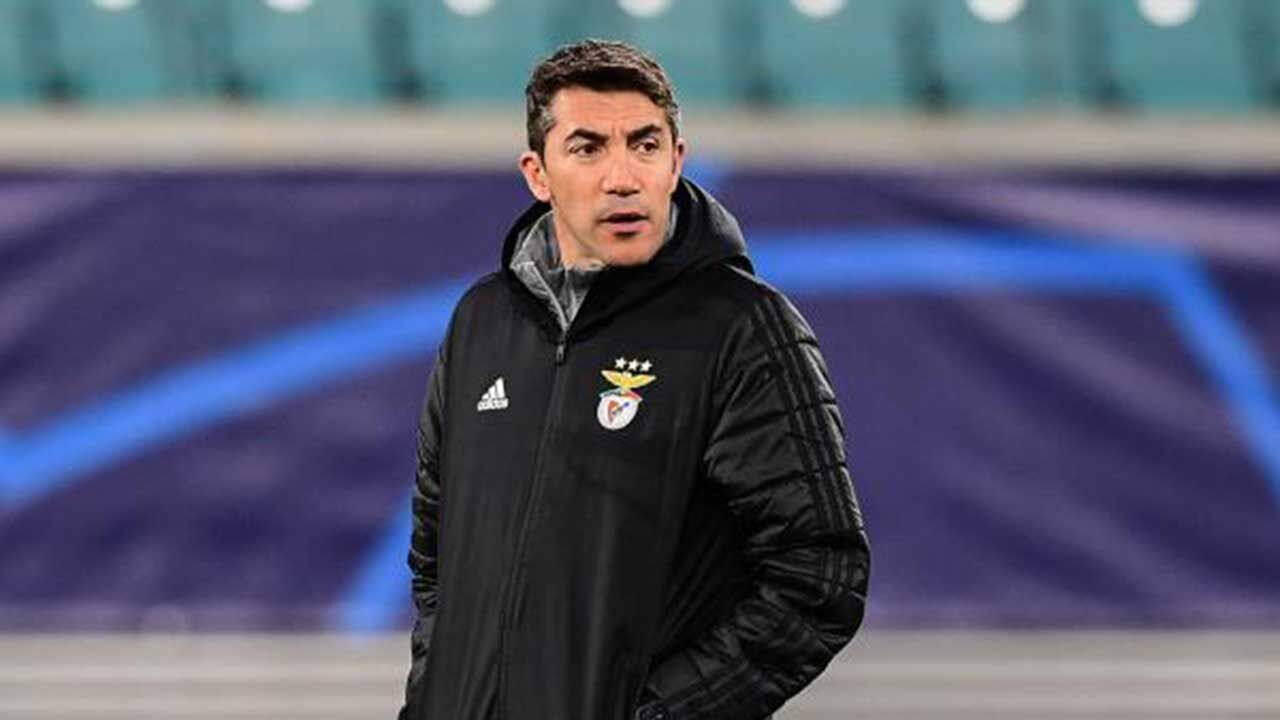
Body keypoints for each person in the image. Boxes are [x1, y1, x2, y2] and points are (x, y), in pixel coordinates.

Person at [399, 40, 870, 720]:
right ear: (538, 174)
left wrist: (658, 714)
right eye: (588, 149)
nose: (623, 177)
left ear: (676, 160)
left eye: (644, 146)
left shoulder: (743, 328)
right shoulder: (481, 321)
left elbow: (821, 576)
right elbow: (435, 561)